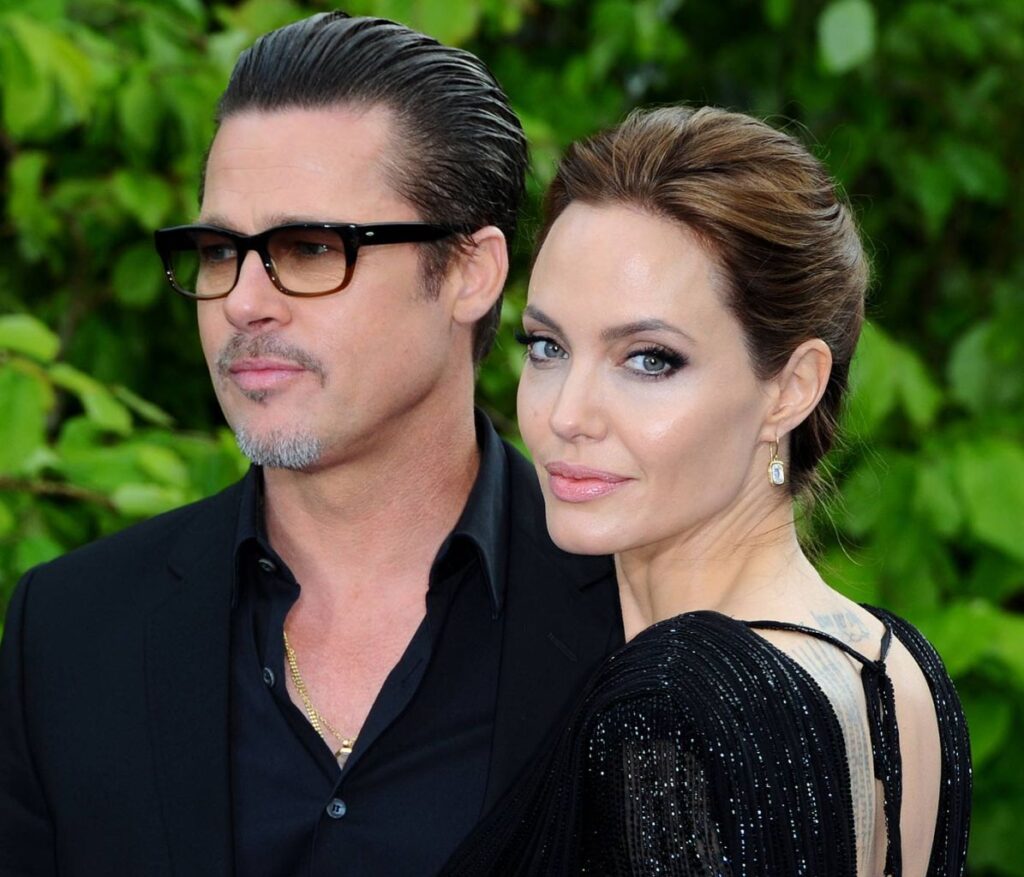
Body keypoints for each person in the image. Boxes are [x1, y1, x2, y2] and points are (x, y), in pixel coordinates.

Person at [0, 13, 623, 876]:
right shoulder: (69, 632)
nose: (243, 301)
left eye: (308, 247)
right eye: (220, 250)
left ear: (469, 272)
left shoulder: (639, 616)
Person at [442, 106, 971, 876]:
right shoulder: (898, 670)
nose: (565, 414)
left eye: (649, 359)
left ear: (792, 387)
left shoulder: (667, 709)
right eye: (547, 346)